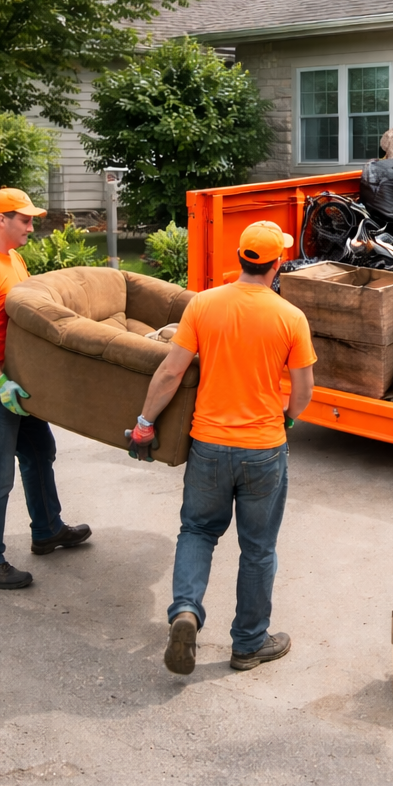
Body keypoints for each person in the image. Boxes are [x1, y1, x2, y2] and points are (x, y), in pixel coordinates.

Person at [129, 220, 316, 675]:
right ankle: (249, 644)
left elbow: (171, 372)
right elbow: (304, 391)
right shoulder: (290, 318)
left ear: (241, 258)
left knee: (197, 531)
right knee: (257, 549)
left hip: (209, 446)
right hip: (263, 449)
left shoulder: (204, 306)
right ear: (277, 265)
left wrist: (144, 424)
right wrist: (286, 416)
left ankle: (186, 612)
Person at [0, 189, 91, 590]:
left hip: (14, 381)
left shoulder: (12, 258)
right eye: (25, 220)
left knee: (38, 452)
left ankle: (47, 531)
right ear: (1, 219)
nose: (32, 227)